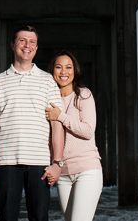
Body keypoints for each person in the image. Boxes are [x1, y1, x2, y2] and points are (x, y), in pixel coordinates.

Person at [0, 26, 65, 221]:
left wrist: (57, 163)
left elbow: (57, 125)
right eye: (22, 41)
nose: (27, 45)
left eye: (32, 42)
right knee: (7, 217)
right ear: (13, 45)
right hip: (6, 161)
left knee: (40, 218)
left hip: (40, 163)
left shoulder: (48, 81)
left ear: (36, 48)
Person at [45, 50, 103, 221]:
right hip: (62, 175)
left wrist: (60, 116)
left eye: (68, 67)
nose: (64, 72)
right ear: (52, 71)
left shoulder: (83, 95)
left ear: (75, 71)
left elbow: (87, 131)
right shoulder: (49, 101)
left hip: (87, 170)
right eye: (59, 67)